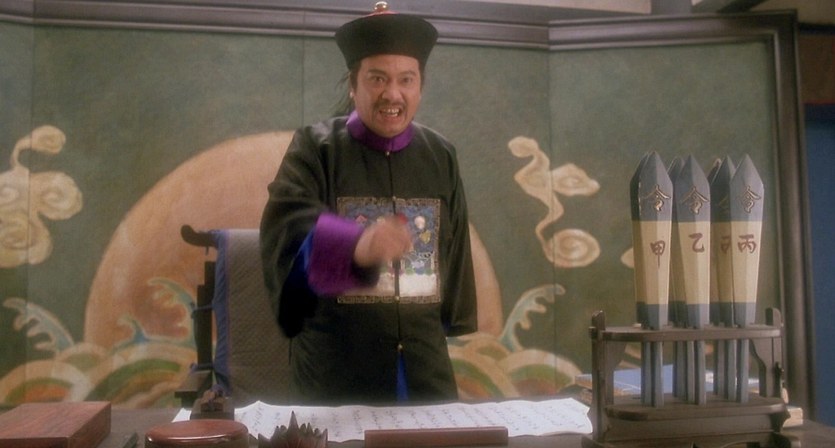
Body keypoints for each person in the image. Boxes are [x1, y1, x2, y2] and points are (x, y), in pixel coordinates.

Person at [259, 2, 478, 405]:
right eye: (377, 79)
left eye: (406, 80)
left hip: (424, 374)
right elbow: (286, 232)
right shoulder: (315, 148)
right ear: (353, 85)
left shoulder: (441, 155)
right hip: (335, 380)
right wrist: (357, 246)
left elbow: (453, 253)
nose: (392, 94)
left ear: (420, 86)